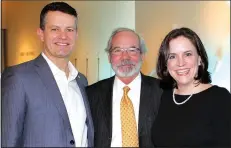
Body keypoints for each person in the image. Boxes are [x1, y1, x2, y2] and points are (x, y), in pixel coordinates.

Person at [1, 2, 94, 147]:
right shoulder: (18, 78)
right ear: (41, 34)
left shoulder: (81, 81)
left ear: (76, 34)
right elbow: (8, 141)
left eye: (69, 29)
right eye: (55, 29)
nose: (63, 36)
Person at [152, 27, 231, 147]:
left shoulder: (220, 98)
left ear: (199, 59)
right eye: (172, 56)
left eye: (187, 54)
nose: (180, 63)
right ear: (166, 63)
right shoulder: (162, 96)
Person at [86, 27, 163, 147]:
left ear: (142, 55)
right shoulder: (91, 94)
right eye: (117, 50)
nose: (125, 57)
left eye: (132, 50)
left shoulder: (163, 92)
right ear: (109, 57)